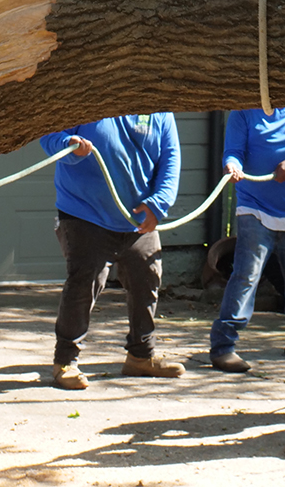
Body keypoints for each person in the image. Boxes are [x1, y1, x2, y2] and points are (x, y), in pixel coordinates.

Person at [40, 114, 185, 390]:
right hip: (84, 213)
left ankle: (141, 356)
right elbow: (49, 136)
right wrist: (69, 145)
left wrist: (159, 203)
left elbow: (171, 158)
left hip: (137, 218)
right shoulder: (92, 96)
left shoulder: (160, 111)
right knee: (85, 282)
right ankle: (65, 362)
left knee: (148, 279)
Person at [209, 107, 285, 374]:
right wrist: (233, 165)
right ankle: (223, 347)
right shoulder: (243, 113)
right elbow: (233, 151)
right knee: (246, 276)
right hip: (253, 207)